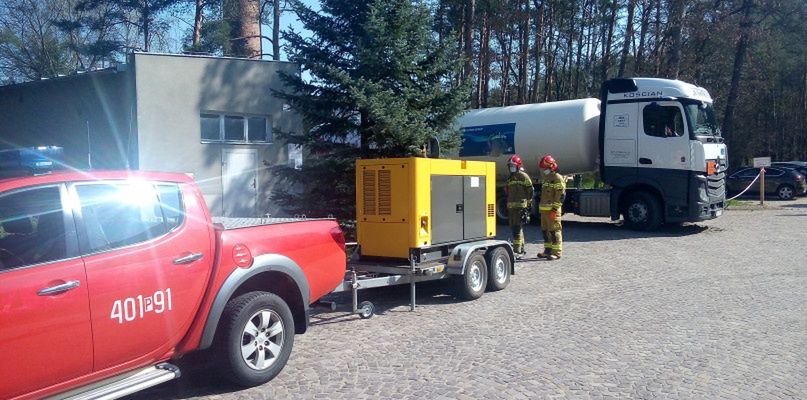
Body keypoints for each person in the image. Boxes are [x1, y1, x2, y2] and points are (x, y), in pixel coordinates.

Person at [536, 155, 566, 260]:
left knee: (554, 231)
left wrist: (554, 209)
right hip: (544, 210)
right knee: (545, 231)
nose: (543, 170)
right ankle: (547, 251)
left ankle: (556, 252)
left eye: (545, 168)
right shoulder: (546, 178)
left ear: (551, 167)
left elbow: (560, 196)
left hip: (553, 211)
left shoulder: (557, 178)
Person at [504, 154, 533, 257]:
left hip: (520, 207)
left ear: (518, 165)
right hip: (511, 207)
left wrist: (528, 204)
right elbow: (508, 190)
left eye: (513, 165)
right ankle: (520, 248)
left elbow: (530, 190)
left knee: (517, 228)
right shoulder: (510, 178)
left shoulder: (523, 176)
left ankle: (517, 250)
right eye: (510, 166)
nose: (511, 168)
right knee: (514, 227)